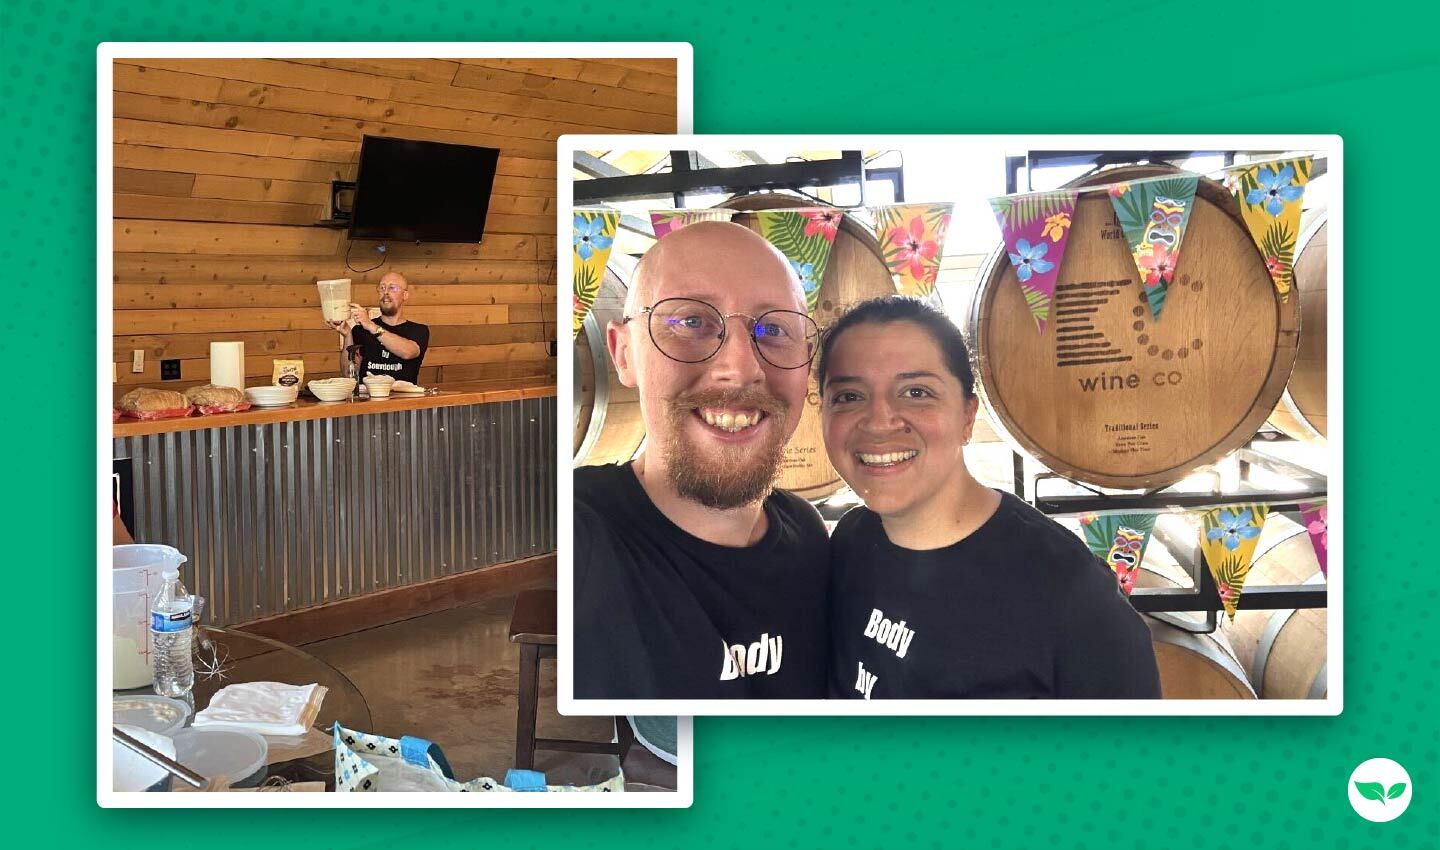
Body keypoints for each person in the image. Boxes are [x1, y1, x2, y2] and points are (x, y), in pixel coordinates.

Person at [818, 296, 1160, 699]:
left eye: (916, 392)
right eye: (848, 396)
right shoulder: (851, 541)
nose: (879, 421)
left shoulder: (1072, 598)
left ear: (967, 416)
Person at [573, 222, 830, 699]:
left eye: (773, 329)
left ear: (807, 362)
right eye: (691, 322)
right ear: (623, 353)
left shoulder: (808, 536)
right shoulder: (579, 534)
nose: (740, 368)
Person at [328, 272, 430, 383]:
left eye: (392, 288)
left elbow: (408, 352)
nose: (386, 292)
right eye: (382, 288)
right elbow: (349, 375)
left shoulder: (419, 330)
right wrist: (347, 335)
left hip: (403, 399)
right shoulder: (360, 330)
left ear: (405, 295)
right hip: (368, 399)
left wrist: (371, 326)